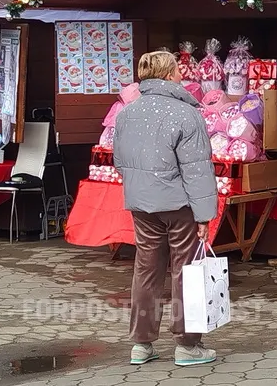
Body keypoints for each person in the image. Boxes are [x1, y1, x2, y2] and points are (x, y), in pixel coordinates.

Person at [113, 50, 219, 367]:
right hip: (179, 204)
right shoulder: (186, 114)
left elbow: (119, 161)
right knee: (187, 270)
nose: (180, 74)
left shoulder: (127, 113)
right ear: (170, 74)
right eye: (177, 70)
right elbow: (197, 170)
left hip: (142, 203)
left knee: (146, 269)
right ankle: (187, 344)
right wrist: (204, 215)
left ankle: (141, 344)